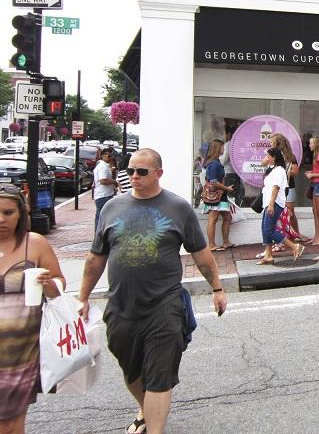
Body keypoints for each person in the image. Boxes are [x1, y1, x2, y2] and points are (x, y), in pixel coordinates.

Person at [77, 148, 227, 434]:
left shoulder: (177, 207)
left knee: (159, 374)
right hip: (120, 306)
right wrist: (82, 297)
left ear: (158, 173)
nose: (134, 176)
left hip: (164, 305)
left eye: (142, 171)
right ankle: (145, 409)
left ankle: (154, 427)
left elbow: (201, 254)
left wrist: (217, 288)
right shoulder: (111, 207)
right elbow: (96, 258)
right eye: (130, 170)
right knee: (130, 367)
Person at [0, 184, 65, 433]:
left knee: (11, 423)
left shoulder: (34, 244)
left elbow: (59, 281)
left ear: (20, 213)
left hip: (21, 351)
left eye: (8, 212)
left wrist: (50, 285)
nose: (1, 219)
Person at [256, 148, 304, 265]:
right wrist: (265, 160)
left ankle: (295, 246)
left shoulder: (279, 171)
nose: (266, 158)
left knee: (269, 230)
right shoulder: (272, 170)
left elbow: (276, 188)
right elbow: (262, 163)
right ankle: (268, 255)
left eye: (268, 156)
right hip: (268, 203)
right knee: (265, 228)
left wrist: (271, 205)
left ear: (274, 158)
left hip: (275, 203)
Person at [202, 140, 235, 251]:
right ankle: (211, 245)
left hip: (219, 195)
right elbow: (213, 181)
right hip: (215, 195)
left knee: (227, 217)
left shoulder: (215, 162)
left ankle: (226, 242)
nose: (223, 149)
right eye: (222, 147)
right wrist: (227, 189)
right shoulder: (214, 164)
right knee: (213, 218)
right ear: (217, 149)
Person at [269, 133, 302, 239]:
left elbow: (295, 172)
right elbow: (263, 164)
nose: (270, 144)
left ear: (277, 143)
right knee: (279, 213)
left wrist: (284, 171)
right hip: (277, 188)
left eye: (272, 142)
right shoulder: (272, 156)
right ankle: (283, 235)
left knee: (290, 212)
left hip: (289, 187)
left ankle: (296, 233)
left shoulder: (290, 156)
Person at [93, 147, 117, 229]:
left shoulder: (104, 166)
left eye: (111, 156)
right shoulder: (102, 167)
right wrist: (114, 182)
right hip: (103, 196)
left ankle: (99, 235)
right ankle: (99, 236)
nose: (111, 158)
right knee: (102, 217)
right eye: (109, 156)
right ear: (103, 156)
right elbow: (102, 181)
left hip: (103, 195)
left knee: (101, 217)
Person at [220, 128, 242, 206]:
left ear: (229, 134)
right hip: (237, 172)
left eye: (224, 134)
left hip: (228, 172)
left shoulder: (228, 144)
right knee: (236, 194)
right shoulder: (238, 143)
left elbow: (224, 160)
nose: (223, 136)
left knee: (229, 194)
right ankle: (235, 209)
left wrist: (217, 158)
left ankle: (230, 211)